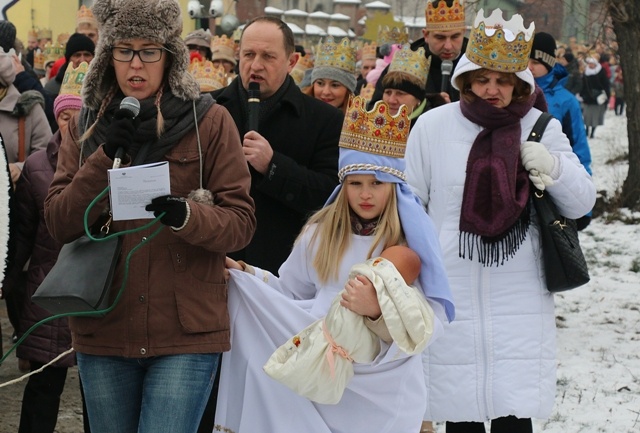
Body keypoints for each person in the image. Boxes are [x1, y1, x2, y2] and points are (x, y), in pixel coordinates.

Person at [43, 1, 256, 433]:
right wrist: (103, 158)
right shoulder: (85, 126)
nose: (135, 64)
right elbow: (59, 222)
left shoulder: (210, 122)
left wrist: (186, 215)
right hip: (104, 324)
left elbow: (241, 222)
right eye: (124, 50)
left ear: (170, 56)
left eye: (149, 50)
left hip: (186, 329)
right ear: (108, 55)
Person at [405, 9, 596, 433]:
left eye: (503, 80)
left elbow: (583, 202)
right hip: (449, 288)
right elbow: (410, 203)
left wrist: (554, 168)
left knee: (514, 413)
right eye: (482, 78)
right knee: (460, 414)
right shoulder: (433, 126)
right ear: (466, 79)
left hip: (520, 289)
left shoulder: (540, 127)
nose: (492, 89)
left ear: (519, 82)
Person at [216, 94, 454, 433]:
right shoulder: (320, 232)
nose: (365, 194)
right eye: (355, 183)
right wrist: (248, 275)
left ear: (395, 185)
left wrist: (377, 310)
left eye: (377, 183)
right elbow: (290, 291)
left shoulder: (409, 240)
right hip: (319, 371)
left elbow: (434, 319)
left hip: (381, 385)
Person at [211, 15, 342, 274]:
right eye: (248, 55)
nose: (255, 65)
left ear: (291, 62)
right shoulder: (207, 108)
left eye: (268, 57)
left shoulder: (325, 119)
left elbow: (330, 198)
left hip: (284, 270)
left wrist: (273, 166)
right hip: (214, 260)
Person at [2, 62, 89, 433]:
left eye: (79, 116)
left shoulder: (107, 164)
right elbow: (20, 238)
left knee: (97, 391)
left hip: (94, 292)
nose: (71, 124)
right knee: (43, 387)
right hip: (47, 292)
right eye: (65, 115)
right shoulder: (38, 167)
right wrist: (12, 292)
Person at [528, 31, 593, 230]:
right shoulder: (512, 92)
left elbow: (579, 149)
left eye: (536, 62)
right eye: (526, 60)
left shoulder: (566, 101)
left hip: (552, 185)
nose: (529, 67)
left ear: (548, 64)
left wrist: (584, 208)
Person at [370, 0, 468, 108]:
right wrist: (426, 105)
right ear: (426, 35)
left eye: (455, 37)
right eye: (440, 37)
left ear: (463, 32)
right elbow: (375, 109)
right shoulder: (403, 64)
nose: (448, 46)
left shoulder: (477, 63)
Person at [304, 36, 356, 113]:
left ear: (348, 89)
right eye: (320, 83)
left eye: (335, 85)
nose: (326, 92)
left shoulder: (359, 123)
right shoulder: (298, 119)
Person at [381, 44, 430, 123]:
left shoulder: (429, 125)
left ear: (418, 99)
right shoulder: (375, 124)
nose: (391, 100)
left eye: (400, 93)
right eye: (388, 92)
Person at [44, 33, 94, 97]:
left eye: (87, 55)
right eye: (77, 55)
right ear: (68, 59)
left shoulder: (104, 85)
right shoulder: (53, 87)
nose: (82, 60)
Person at [579, 56, 610, 139]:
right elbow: (583, 85)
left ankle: (592, 132)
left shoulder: (601, 72)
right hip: (588, 98)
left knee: (595, 118)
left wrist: (607, 96)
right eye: (589, 63)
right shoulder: (586, 73)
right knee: (586, 117)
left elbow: (606, 85)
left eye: (592, 64)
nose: (590, 65)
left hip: (598, 99)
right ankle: (586, 130)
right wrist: (581, 94)